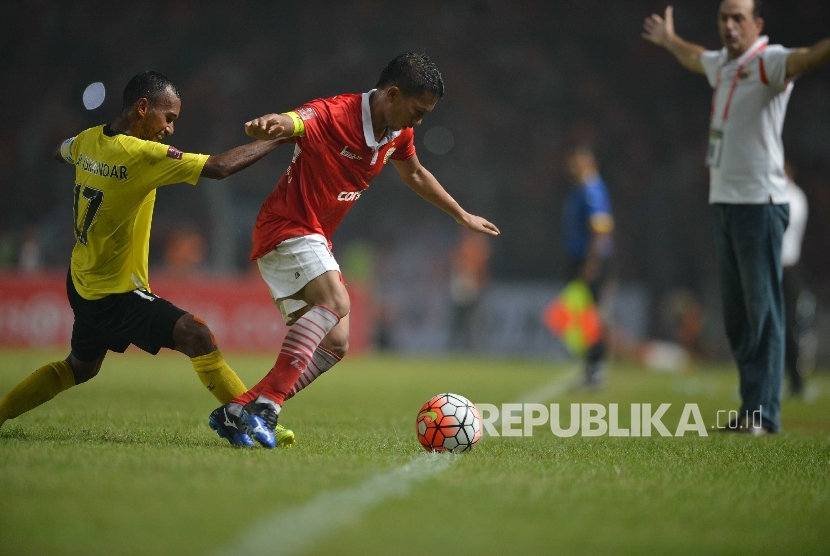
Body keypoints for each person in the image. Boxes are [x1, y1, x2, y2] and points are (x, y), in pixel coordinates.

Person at [208, 52, 500, 448]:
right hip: (286, 227)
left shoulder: (398, 132)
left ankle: (239, 409)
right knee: (336, 300)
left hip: (314, 238)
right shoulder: (334, 114)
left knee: (337, 343)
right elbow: (294, 120)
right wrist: (274, 123)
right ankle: (267, 409)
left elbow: (413, 172)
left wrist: (460, 215)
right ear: (392, 94)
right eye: (416, 111)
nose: (418, 122)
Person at [0, 71, 288, 448]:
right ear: (142, 108)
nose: (169, 129)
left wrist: (74, 159)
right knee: (197, 334)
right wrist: (280, 138)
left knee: (79, 368)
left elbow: (61, 150)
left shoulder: (89, 140)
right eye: (168, 117)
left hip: (83, 282)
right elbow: (219, 167)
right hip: (116, 293)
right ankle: (250, 420)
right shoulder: (141, 153)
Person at [642, 0, 830, 433]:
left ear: (756, 24)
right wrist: (670, 41)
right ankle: (752, 408)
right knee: (738, 314)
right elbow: (695, 58)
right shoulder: (724, 66)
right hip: (726, 203)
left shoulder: (768, 62)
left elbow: (807, 57)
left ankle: (764, 413)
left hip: (760, 205)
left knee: (763, 311)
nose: (729, 25)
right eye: (724, 17)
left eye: (738, 18)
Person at [563, 147, 614, 388]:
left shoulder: (591, 188)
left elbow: (600, 228)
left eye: (576, 162)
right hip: (580, 258)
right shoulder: (581, 188)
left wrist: (592, 262)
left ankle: (596, 369)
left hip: (588, 259)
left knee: (590, 315)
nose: (571, 167)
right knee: (580, 315)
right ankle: (590, 367)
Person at [781, 162, 809, 396]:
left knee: (788, 326)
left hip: (787, 270)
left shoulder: (795, 197)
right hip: (775, 269)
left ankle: (796, 381)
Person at [448, 231, 492, 352]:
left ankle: (468, 349)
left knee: (469, 324)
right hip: (462, 291)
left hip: (469, 291)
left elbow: (481, 273)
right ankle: (459, 349)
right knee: (461, 324)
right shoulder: (464, 251)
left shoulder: (472, 251)